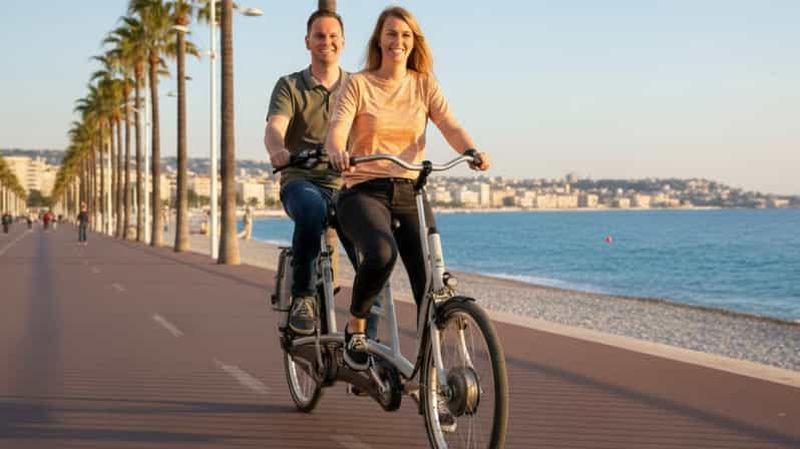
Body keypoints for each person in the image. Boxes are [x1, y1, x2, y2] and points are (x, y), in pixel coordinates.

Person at [326, 6, 491, 371]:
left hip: (410, 191)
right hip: (363, 190)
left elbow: (449, 123)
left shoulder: (424, 83)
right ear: (379, 40)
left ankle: (433, 381)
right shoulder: (358, 83)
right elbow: (337, 127)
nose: (398, 41)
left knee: (430, 283)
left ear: (414, 41)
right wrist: (338, 151)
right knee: (382, 253)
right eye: (391, 34)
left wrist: (471, 150)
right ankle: (356, 325)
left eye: (405, 35)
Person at [264, 9, 356, 336]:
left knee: (372, 244)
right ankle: (303, 297)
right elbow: (275, 127)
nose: (326, 42)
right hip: (301, 179)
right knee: (312, 211)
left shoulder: (356, 86)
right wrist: (278, 150)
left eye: (333, 36)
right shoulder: (290, 85)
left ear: (343, 42)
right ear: (307, 41)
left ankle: (365, 337)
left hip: (346, 183)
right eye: (319, 35)